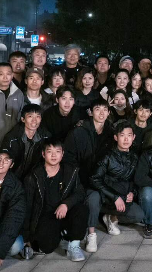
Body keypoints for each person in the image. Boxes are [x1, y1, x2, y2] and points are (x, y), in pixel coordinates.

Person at [22, 140, 88, 261]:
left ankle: (74, 245)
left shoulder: (70, 171)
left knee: (81, 209)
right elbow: (27, 207)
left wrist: (66, 204)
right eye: (50, 152)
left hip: (65, 212)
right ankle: (62, 236)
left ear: (62, 154)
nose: (54, 155)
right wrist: (26, 237)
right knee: (47, 247)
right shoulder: (33, 176)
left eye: (57, 151)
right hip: (46, 216)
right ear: (43, 154)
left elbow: (80, 193)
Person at [64, 98, 113, 252]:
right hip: (79, 179)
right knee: (87, 199)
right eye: (97, 109)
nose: (101, 113)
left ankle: (95, 229)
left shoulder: (111, 132)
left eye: (105, 110)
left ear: (109, 112)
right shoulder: (78, 131)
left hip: (99, 180)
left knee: (95, 197)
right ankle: (88, 233)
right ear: (91, 112)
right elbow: (68, 158)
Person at [90, 121, 144, 236]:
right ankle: (104, 215)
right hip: (107, 197)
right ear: (116, 137)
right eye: (122, 135)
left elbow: (135, 180)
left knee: (139, 215)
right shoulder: (107, 156)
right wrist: (114, 197)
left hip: (124, 196)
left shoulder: (135, 157)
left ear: (133, 137)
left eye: (129, 135)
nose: (126, 139)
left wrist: (133, 193)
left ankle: (111, 217)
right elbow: (95, 179)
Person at [4, 104, 52, 180]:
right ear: (23, 119)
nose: (34, 120)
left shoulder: (46, 137)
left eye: (38, 116)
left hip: (35, 178)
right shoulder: (12, 138)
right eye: (30, 116)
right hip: (13, 177)